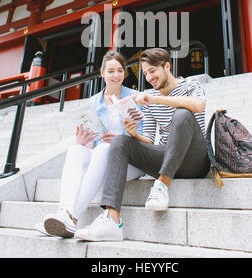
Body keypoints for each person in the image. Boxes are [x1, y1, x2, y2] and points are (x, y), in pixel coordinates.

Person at [74, 47, 210, 242]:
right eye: (145, 73)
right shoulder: (150, 100)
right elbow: (149, 140)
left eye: (153, 71)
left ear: (167, 66)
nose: (149, 77)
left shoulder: (189, 85)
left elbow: (198, 105)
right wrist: (134, 134)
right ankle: (112, 219)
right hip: (166, 158)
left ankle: (162, 186)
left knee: (182, 113)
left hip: (194, 160)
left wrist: (155, 98)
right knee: (120, 141)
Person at [34, 50, 143, 238]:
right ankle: (64, 212)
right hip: (102, 156)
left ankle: (71, 218)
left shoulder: (135, 97)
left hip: (129, 162)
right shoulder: (93, 102)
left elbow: (142, 138)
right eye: (111, 71)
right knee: (76, 149)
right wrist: (83, 142)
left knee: (103, 149)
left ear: (125, 73)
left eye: (119, 70)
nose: (116, 75)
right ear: (102, 73)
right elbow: (94, 141)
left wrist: (119, 138)